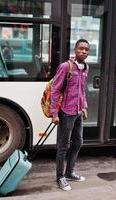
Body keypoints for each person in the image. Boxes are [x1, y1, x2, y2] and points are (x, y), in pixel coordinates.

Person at [50, 39, 89, 191]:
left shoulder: (85, 67)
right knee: (63, 146)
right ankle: (60, 177)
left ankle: (69, 172)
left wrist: (84, 106)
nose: (84, 51)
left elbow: (82, 90)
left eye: (86, 49)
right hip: (66, 112)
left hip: (78, 111)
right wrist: (54, 113)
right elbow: (55, 90)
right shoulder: (66, 66)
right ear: (75, 49)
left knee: (78, 142)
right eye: (81, 48)